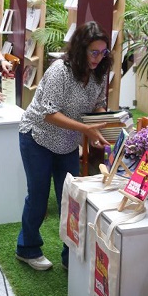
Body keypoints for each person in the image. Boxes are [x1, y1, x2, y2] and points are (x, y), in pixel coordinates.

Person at [15, 21, 111, 271]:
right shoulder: (61, 70)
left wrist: (102, 123)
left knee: (71, 200)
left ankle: (71, 257)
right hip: (38, 136)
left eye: (103, 53)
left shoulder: (100, 73)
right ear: (81, 49)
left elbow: (98, 103)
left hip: (67, 142)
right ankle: (27, 248)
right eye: (94, 52)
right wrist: (85, 130)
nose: (98, 58)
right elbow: (49, 113)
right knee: (38, 196)